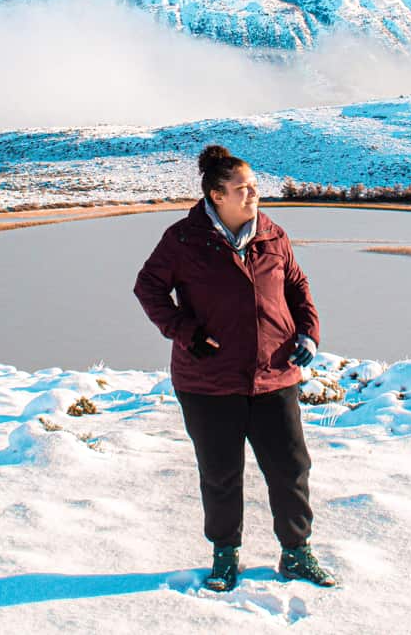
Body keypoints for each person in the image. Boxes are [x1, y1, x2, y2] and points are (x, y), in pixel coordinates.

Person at [133, 144, 337, 592]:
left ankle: (297, 554)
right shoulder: (183, 239)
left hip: (274, 375)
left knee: (290, 469)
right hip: (208, 381)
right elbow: (148, 288)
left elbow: (298, 286)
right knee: (221, 473)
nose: (253, 196)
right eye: (243, 190)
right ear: (216, 195)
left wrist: (308, 334)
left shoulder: (272, 234)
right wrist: (184, 332)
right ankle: (225, 557)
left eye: (255, 188)